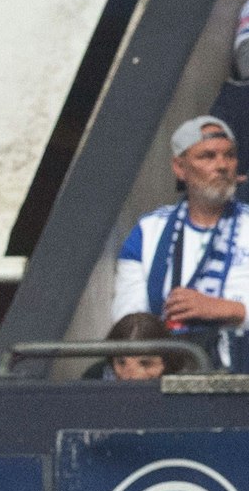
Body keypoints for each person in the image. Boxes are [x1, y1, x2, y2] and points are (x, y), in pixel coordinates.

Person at [112, 116, 249, 371]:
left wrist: (230, 310)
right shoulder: (148, 230)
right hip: (167, 373)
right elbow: (128, 318)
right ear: (180, 167)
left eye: (229, 155)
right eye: (207, 156)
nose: (222, 165)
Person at [84, 312, 179, 382]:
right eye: (121, 363)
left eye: (145, 363)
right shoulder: (94, 379)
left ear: (167, 362)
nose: (131, 377)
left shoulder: (183, 386)